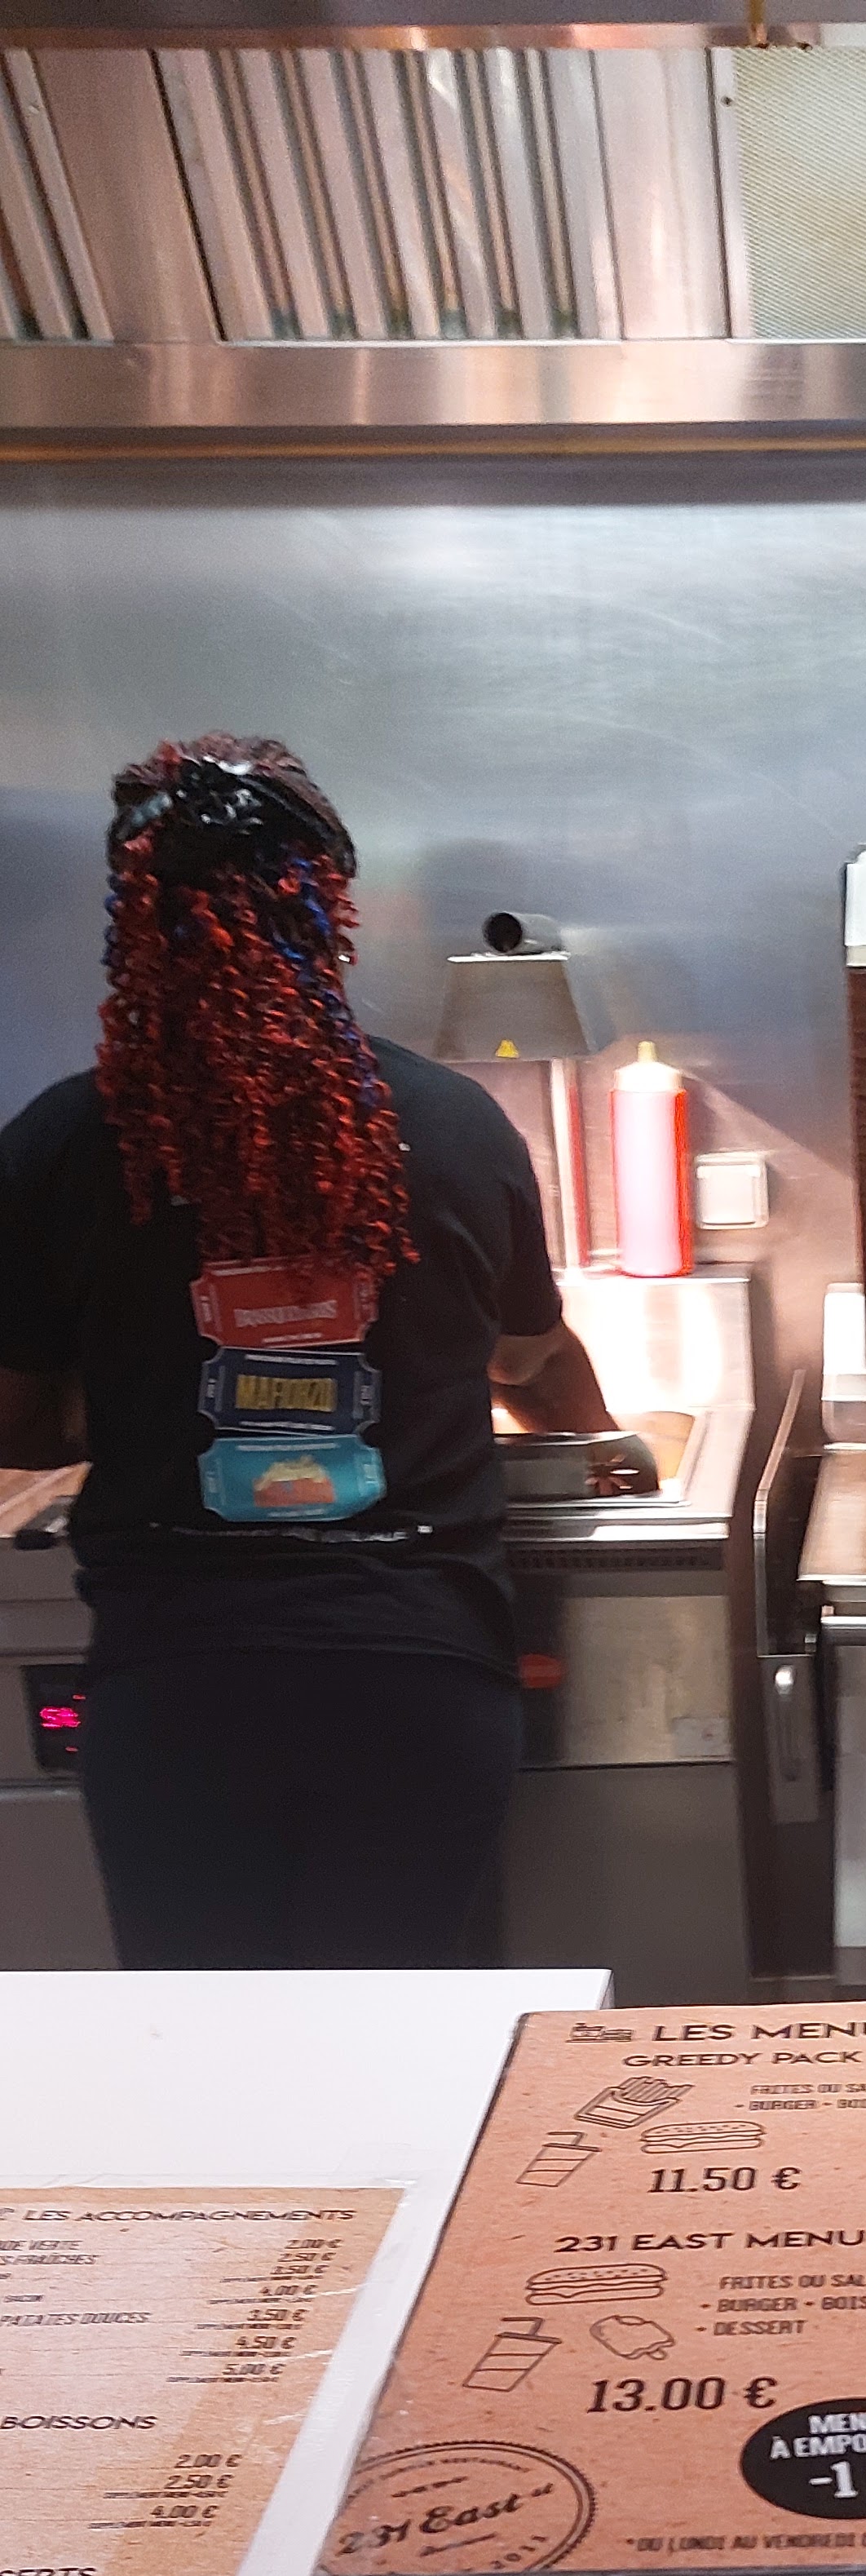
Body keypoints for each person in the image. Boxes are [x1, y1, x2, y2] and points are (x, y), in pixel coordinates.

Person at [0, 733, 614, 1967]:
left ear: (136, 916)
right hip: (416, 1676)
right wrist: (598, 1445)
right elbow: (532, 1363)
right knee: (410, 2044)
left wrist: (139, 1399)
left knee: (209, 2050)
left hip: (175, 1687)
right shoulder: (450, 1126)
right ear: (326, 905)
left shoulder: (65, 1143)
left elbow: (13, 1420)